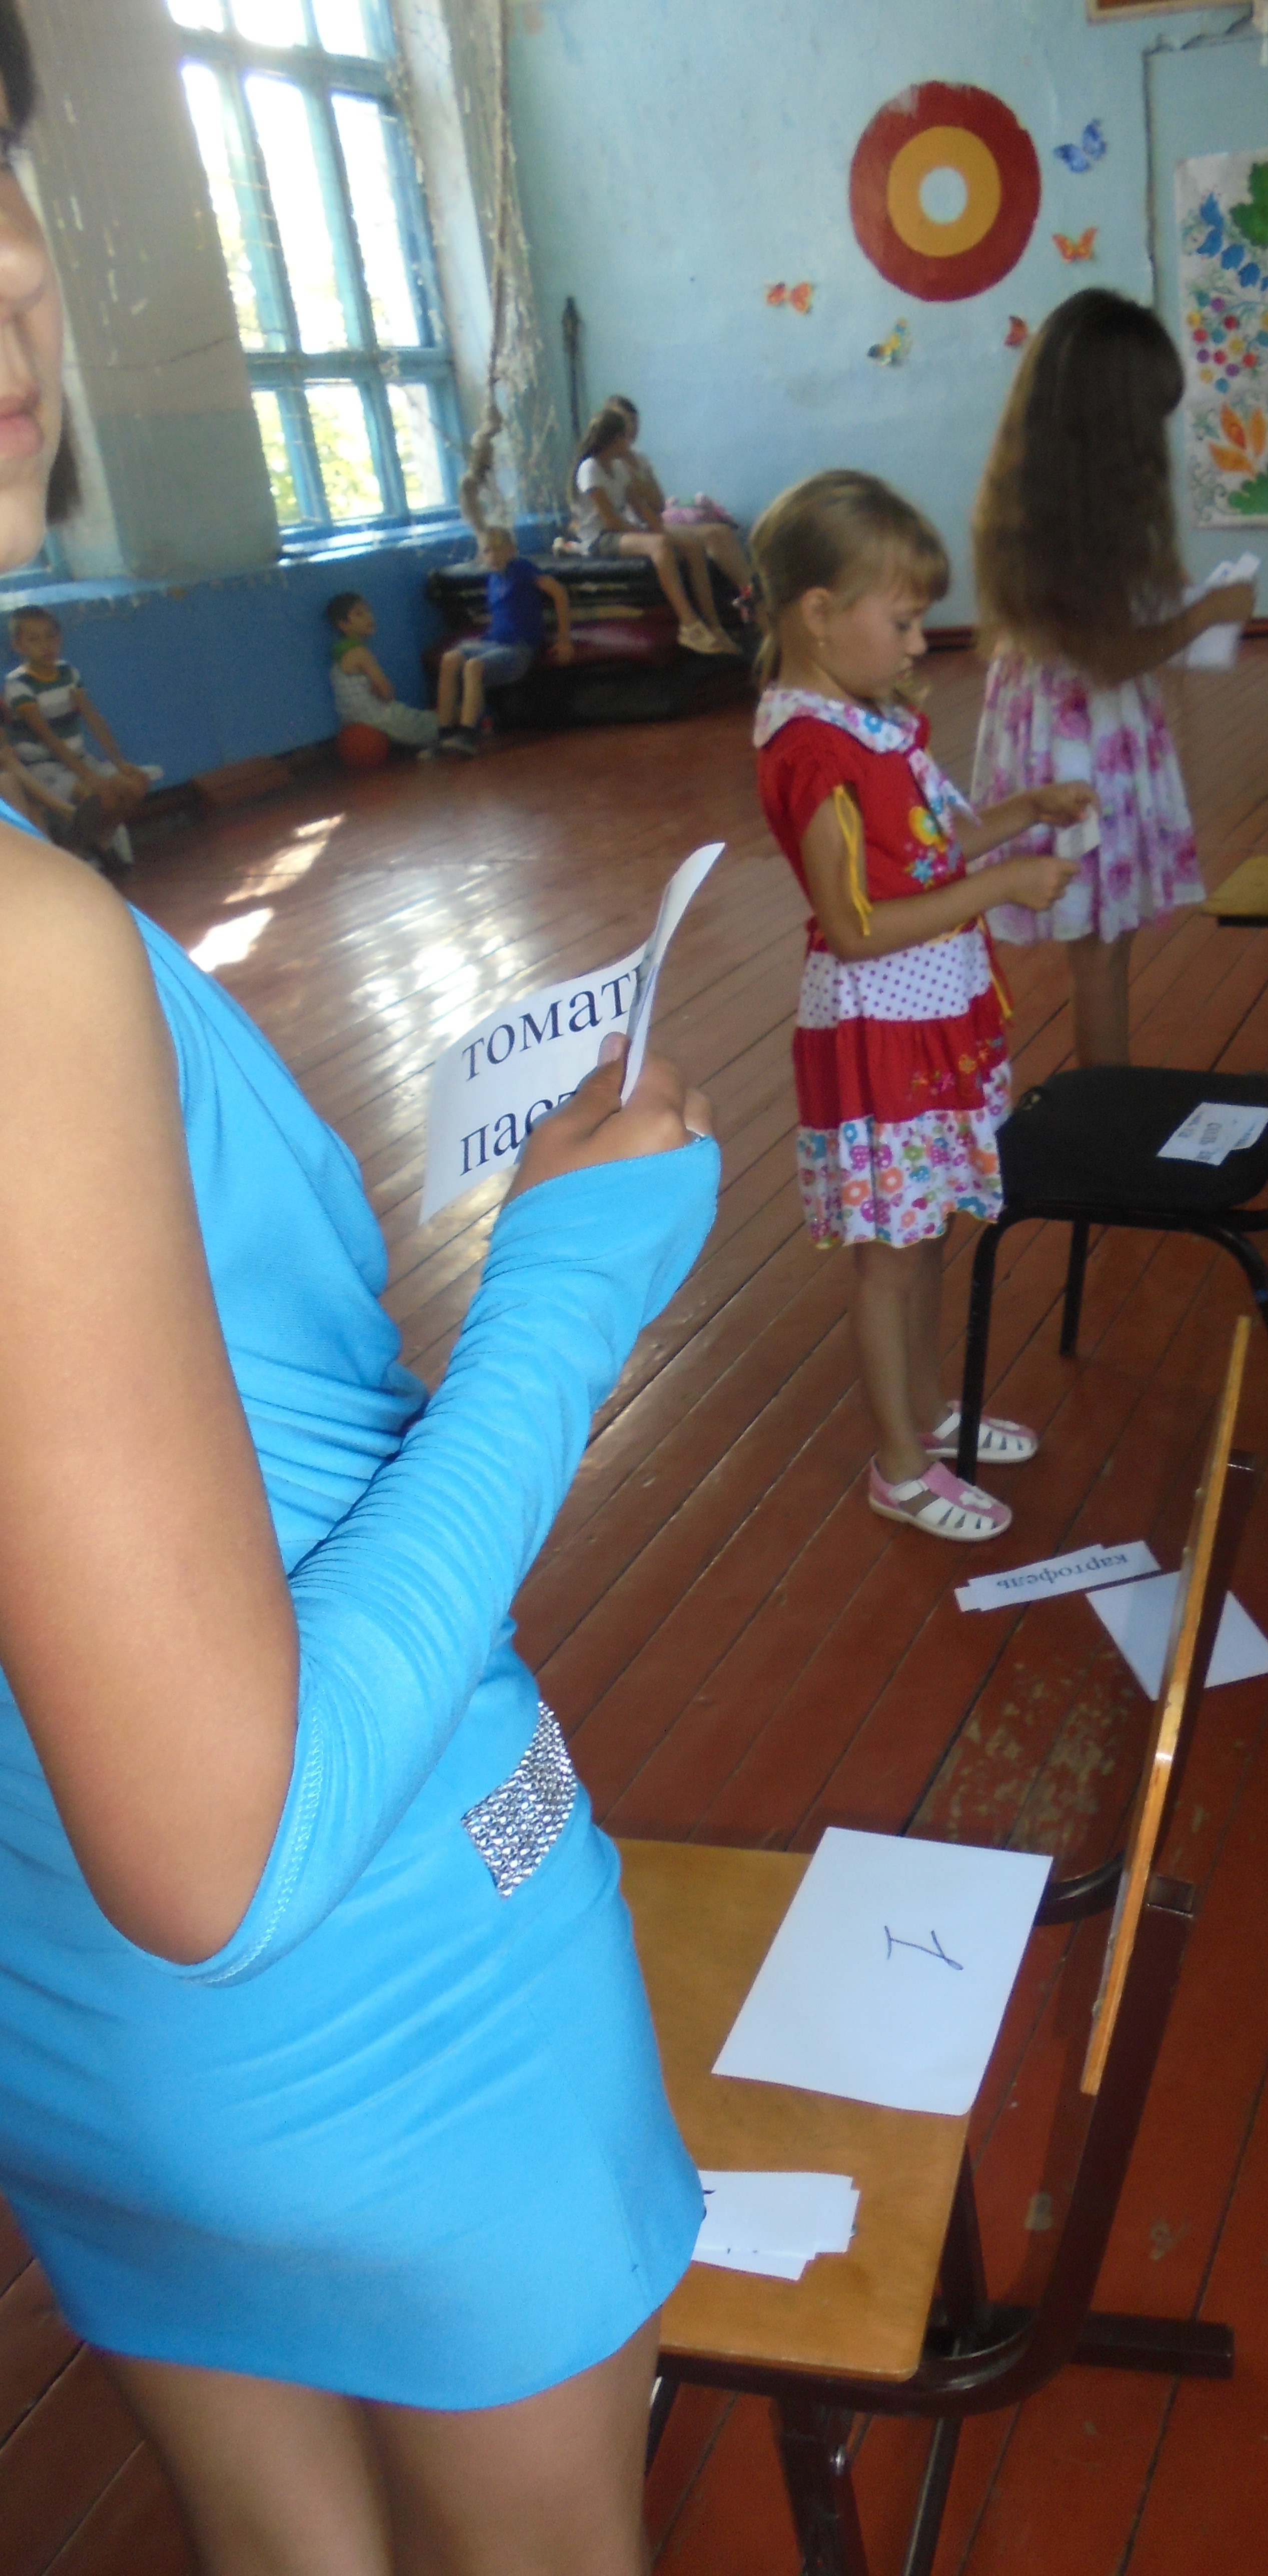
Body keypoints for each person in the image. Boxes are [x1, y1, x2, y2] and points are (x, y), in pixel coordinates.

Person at [0, 8, 718, 2566]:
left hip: (64, 2029)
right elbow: (231, 1834)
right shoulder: (17, 954)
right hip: (381, 2001)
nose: (7, 280)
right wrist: (570, 1286)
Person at [752, 469, 1091, 1542]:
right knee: (889, 1256)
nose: (916, 644)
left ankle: (931, 1412)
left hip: (932, 1013)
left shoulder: (871, 721)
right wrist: (1001, 886)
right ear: (819, 614)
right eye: (900, 621)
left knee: (928, 1227)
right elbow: (853, 926)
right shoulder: (811, 751)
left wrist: (1019, 815)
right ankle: (898, 1467)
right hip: (878, 1030)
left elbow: (932, 847)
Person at [971, 288, 1251, 1066]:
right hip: (1081, 748)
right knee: (1100, 942)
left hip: (1081, 731)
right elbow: (1107, 657)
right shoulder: (1067, 517)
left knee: (1107, 938)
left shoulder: (1039, 491)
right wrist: (1206, 614)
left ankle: (1111, 1099)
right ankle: (1106, 1108)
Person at [570, 402, 736, 658]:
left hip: (621, 531)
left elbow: (641, 505)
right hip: (601, 538)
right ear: (614, 440)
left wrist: (658, 528)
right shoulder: (590, 468)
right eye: (625, 437)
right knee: (659, 546)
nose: (630, 442)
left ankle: (714, 626)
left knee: (692, 543)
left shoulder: (619, 468)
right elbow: (611, 521)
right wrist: (651, 536)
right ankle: (690, 625)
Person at [5, 604, 150, 868]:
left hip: (79, 759)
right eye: (34, 640)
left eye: (51, 636)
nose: (46, 645)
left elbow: (93, 719)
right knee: (100, 796)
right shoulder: (18, 684)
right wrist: (88, 776)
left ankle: (103, 840)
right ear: (19, 646)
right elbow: (48, 737)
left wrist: (119, 762)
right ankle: (76, 852)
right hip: (45, 767)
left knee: (137, 782)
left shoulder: (67, 672)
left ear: (60, 637)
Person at [604, 393, 755, 605]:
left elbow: (659, 502)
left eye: (634, 421)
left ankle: (751, 590)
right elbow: (633, 504)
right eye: (626, 422)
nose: (632, 428)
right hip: (637, 528)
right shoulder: (609, 463)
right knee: (710, 536)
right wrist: (642, 489)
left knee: (721, 531)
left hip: (655, 521)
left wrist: (642, 486)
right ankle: (755, 597)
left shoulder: (640, 459)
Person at [436, 524, 574, 756]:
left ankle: (468, 735)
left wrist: (564, 639)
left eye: (498, 550)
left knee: (473, 666)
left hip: (519, 649)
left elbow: (559, 592)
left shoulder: (521, 569)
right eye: (487, 551)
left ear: (511, 550)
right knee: (450, 659)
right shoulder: (493, 579)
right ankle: (444, 734)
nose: (492, 556)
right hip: (493, 644)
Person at [323, 591, 441, 754]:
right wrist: (384, 691)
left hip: (351, 721)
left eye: (368, 611)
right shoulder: (361, 654)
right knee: (435, 722)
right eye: (359, 614)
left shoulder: (338, 656)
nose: (369, 617)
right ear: (344, 625)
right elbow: (387, 693)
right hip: (378, 717)